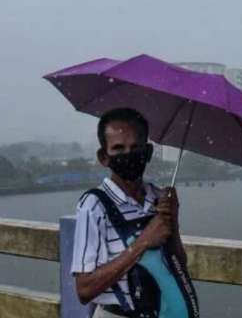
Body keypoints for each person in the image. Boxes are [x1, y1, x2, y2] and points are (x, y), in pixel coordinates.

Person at [71, 108, 191, 318]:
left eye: (135, 147)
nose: (128, 154)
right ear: (104, 157)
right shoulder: (94, 206)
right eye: (118, 148)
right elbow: (84, 289)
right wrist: (143, 242)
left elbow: (178, 266)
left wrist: (174, 222)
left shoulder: (159, 198)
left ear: (148, 152)